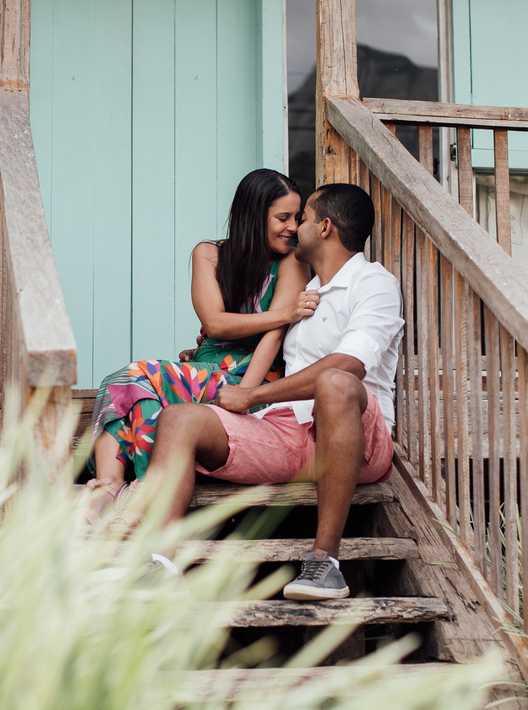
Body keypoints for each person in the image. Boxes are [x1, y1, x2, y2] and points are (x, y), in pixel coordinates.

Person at [139, 183, 403, 599]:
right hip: (289, 433)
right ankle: (160, 565)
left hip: (356, 438)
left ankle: (325, 564)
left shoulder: (373, 283)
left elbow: (349, 364)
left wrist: (253, 396)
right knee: (180, 418)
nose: (295, 227)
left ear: (325, 228)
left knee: (335, 383)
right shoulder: (307, 292)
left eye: (304, 218)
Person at [83, 169, 317, 522]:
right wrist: (284, 312)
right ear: (254, 215)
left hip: (251, 375)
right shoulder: (208, 254)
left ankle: (132, 490)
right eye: (283, 217)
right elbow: (215, 323)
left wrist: (246, 393)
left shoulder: (291, 264)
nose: (293, 227)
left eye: (297, 218)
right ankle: (113, 487)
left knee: (129, 378)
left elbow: (275, 336)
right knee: (140, 398)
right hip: (205, 368)